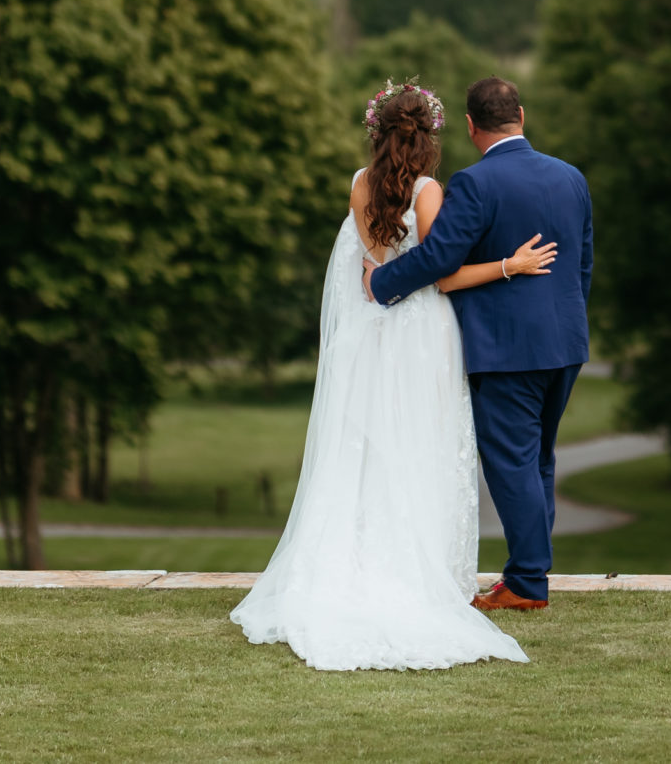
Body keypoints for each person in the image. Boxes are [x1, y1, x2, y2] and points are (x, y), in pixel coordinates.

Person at [231, 80, 555, 671]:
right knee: (422, 444)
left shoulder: (359, 184)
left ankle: (357, 562)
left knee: (369, 447)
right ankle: (420, 570)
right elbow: (442, 275)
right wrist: (511, 264)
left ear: (377, 133)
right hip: (423, 334)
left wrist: (378, 285)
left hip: (373, 332)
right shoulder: (429, 191)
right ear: (430, 137)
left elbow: (373, 266)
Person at [368, 76, 593, 612]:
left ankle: (527, 583)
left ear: (471, 126)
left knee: (512, 463)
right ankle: (528, 573)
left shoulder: (474, 183)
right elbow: (582, 263)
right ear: (522, 115)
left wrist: (381, 283)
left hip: (507, 349)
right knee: (537, 459)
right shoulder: (571, 177)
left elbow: (440, 257)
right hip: (565, 342)